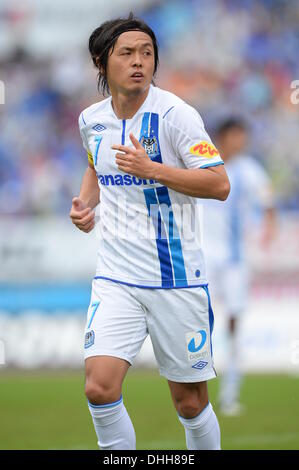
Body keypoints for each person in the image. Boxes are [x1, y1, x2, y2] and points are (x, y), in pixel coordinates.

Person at [70, 13, 230, 450]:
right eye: (127, 53)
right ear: (101, 62)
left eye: (147, 52)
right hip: (115, 276)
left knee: (190, 403)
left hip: (175, 278)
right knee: (99, 388)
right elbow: (94, 163)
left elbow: (219, 184)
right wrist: (86, 205)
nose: (139, 61)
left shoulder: (177, 115)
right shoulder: (91, 120)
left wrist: (152, 169)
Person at [203, 118, 275, 416]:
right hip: (203, 256)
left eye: (243, 136)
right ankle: (196, 393)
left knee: (234, 323)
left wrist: (268, 231)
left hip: (234, 260)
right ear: (222, 137)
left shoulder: (250, 171)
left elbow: (269, 205)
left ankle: (230, 393)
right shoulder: (202, 164)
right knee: (197, 321)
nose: (240, 142)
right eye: (235, 136)